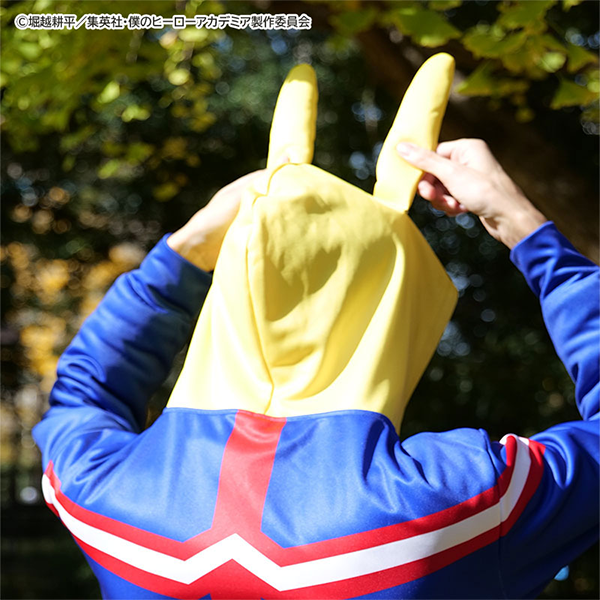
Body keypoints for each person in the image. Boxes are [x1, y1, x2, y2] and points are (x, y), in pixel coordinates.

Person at [32, 133, 599, 599]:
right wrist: (521, 224)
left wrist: (187, 248)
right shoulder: (461, 501)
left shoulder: (106, 491)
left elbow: (81, 396)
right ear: (405, 305)